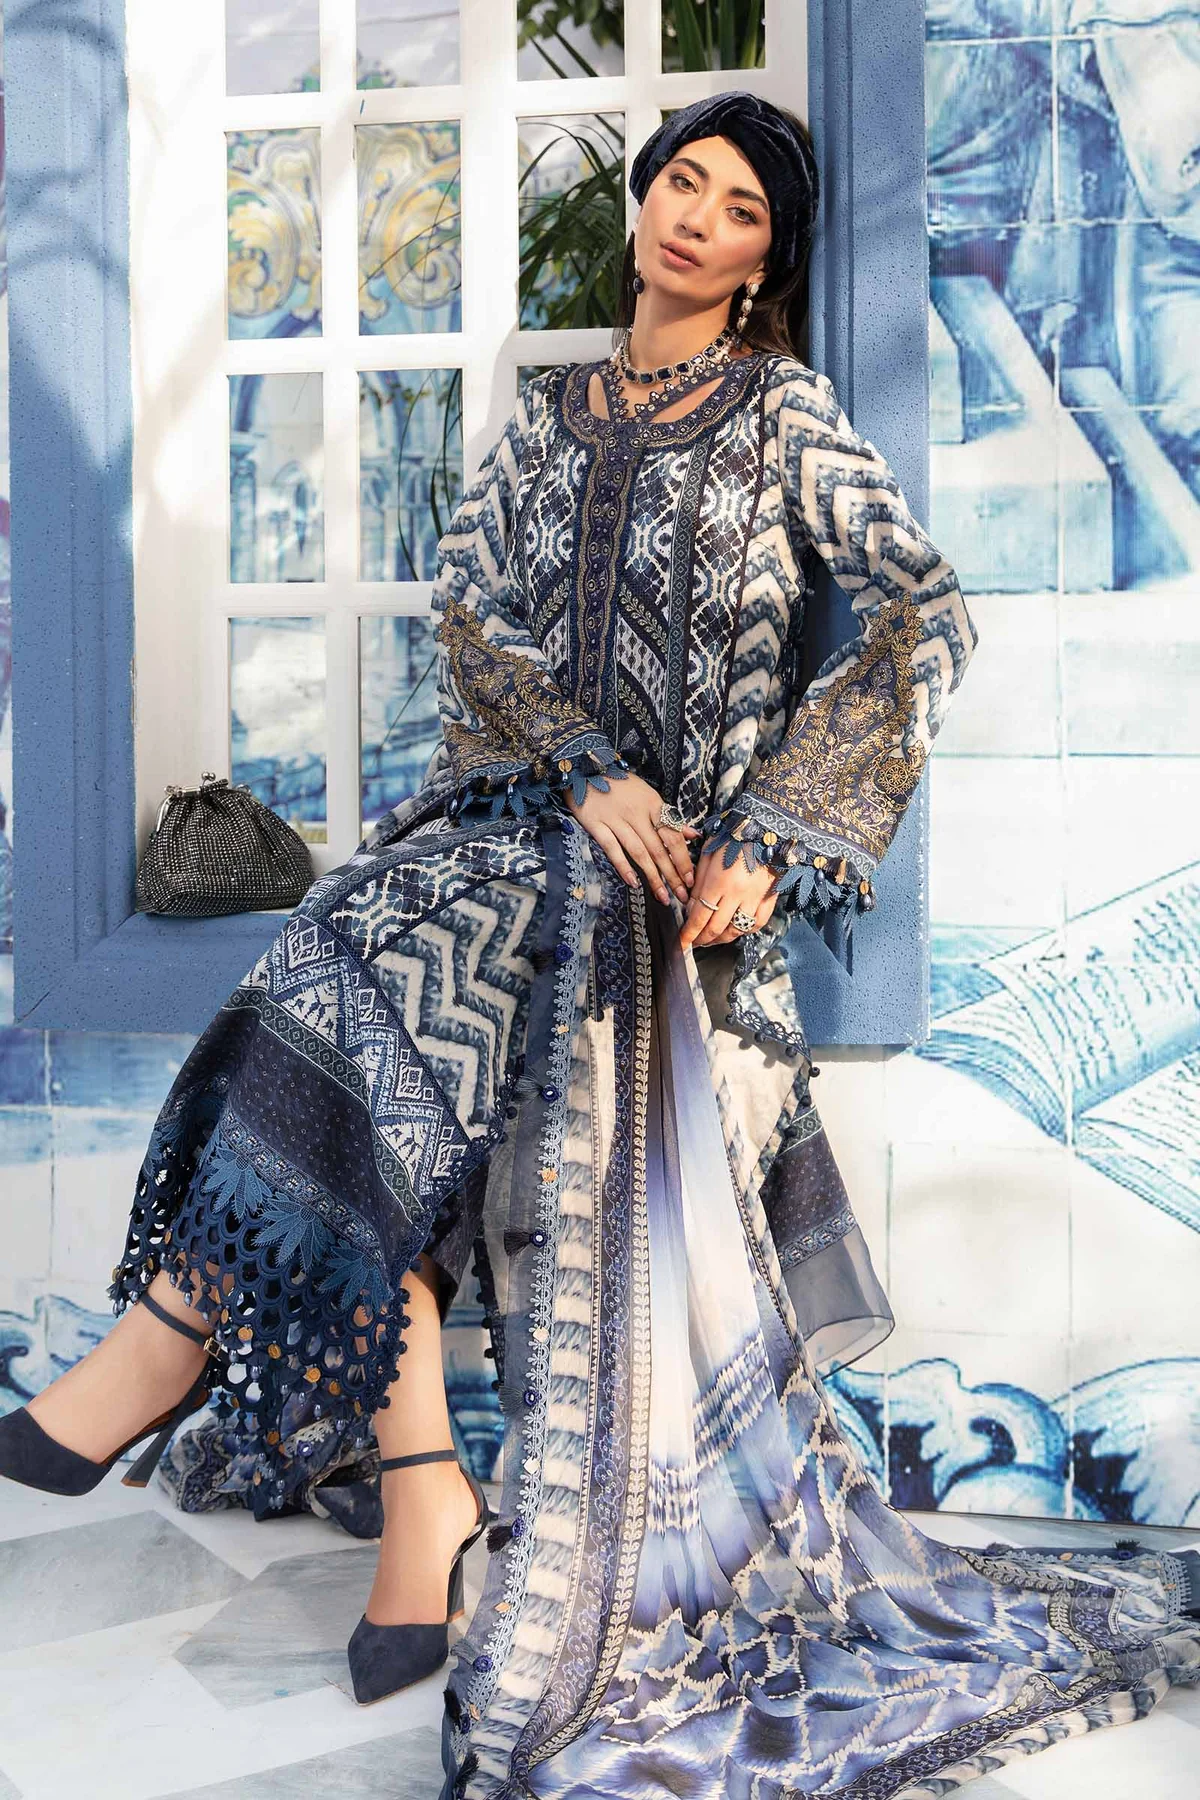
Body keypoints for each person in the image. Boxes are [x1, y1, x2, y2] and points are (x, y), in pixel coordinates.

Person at [3, 91, 1198, 1800]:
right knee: (360, 959)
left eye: (739, 208)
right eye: (681, 183)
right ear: (643, 203)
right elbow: (469, 614)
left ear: (764, 261)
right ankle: (418, 1481)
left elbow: (931, 609)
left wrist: (785, 828)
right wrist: (581, 767)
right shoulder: (548, 414)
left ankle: (189, 1354)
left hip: (672, 889)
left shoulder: (785, 416)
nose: (696, 218)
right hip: (526, 829)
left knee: (366, 960)